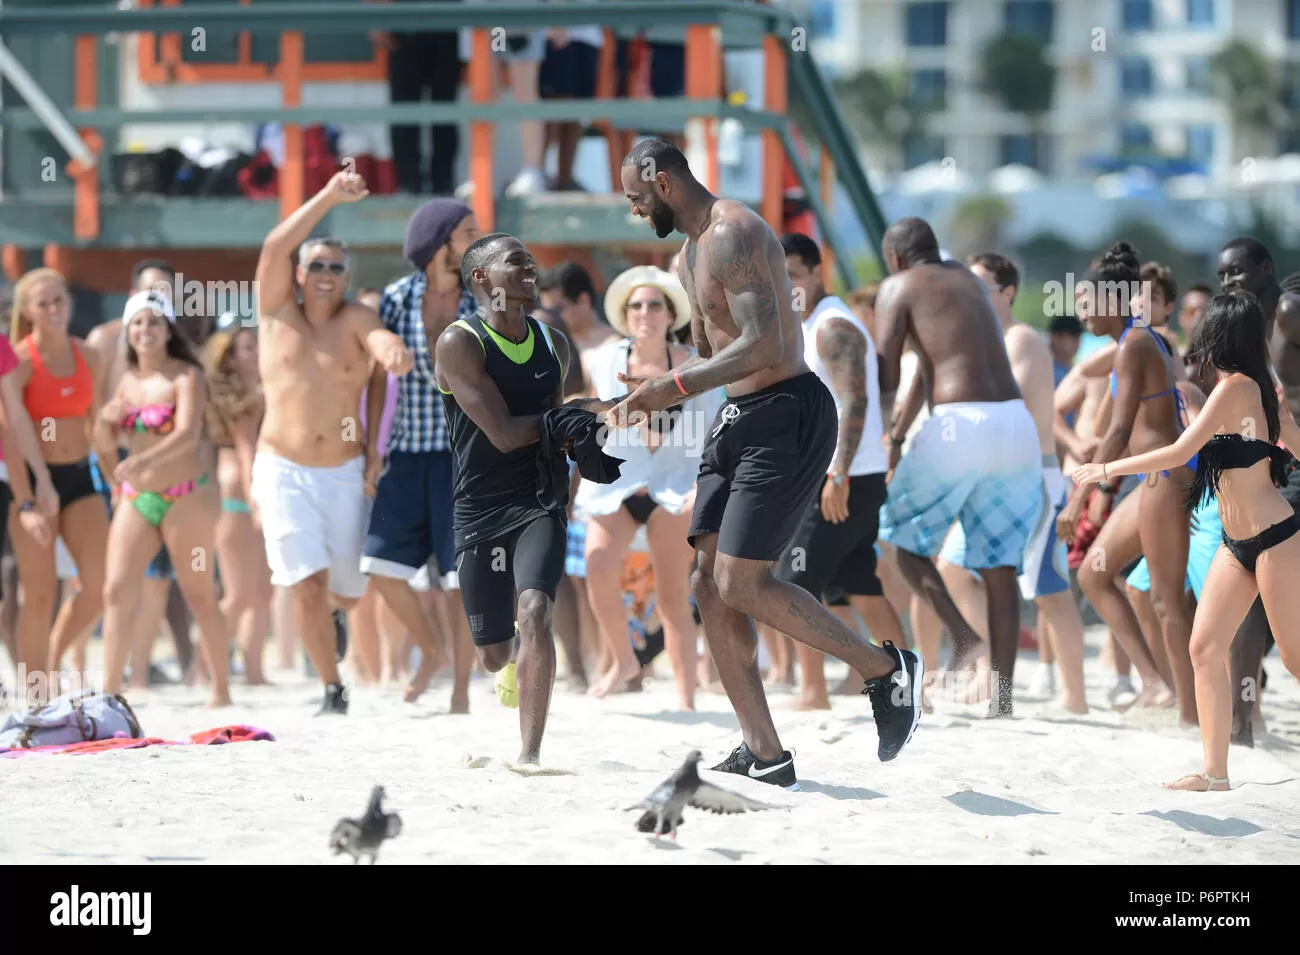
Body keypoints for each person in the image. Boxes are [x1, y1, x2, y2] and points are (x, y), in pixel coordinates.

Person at [611, 139, 922, 788]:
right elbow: (711, 345)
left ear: (663, 182)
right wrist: (656, 376)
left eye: (638, 199)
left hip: (789, 412)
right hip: (736, 418)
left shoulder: (735, 232)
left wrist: (675, 385)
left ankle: (884, 669)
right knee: (706, 584)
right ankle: (765, 751)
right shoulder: (688, 253)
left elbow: (768, 343)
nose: (635, 210)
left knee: (742, 582)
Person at [1073, 290, 1300, 790]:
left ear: (1220, 336)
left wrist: (1106, 469)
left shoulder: (1238, 388)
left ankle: (1216, 770)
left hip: (1275, 538)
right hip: (1235, 545)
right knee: (1204, 648)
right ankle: (1215, 773)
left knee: (1293, 658)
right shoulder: (1257, 391)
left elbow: (1178, 451)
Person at [434, 232, 615, 766]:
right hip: (480, 507)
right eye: (516, 262)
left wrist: (606, 417)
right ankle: (510, 658)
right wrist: (586, 409)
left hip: (539, 498)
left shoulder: (554, 342)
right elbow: (508, 434)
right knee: (492, 656)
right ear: (481, 279)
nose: (531, 266)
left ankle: (528, 753)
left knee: (536, 608)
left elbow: (555, 433)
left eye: (530, 260)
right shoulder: (459, 343)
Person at [251, 170, 414, 714]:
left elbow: (379, 337)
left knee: (346, 590)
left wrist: (392, 351)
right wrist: (328, 195)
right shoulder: (276, 312)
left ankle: (335, 618)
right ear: (299, 273)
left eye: (335, 267)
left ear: (347, 277)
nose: (324, 273)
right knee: (304, 583)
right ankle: (331, 686)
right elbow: (275, 242)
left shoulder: (355, 317)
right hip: (281, 468)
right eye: (315, 264)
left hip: (343, 472)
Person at [868, 218, 1040, 717]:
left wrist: (879, 436)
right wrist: (899, 434)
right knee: (1000, 569)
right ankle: (1003, 703)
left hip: (957, 427)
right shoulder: (967, 280)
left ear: (896, 259)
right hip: (1014, 424)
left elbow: (887, 371)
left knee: (903, 541)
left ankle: (964, 638)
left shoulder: (898, 286)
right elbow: (931, 362)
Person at [933, 253, 1087, 714]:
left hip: (1030, 479)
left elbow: (1005, 403)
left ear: (1007, 293)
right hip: (992, 482)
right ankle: (986, 673)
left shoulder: (1020, 338)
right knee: (952, 570)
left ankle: (1075, 697)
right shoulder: (985, 339)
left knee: (1050, 592)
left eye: (980, 285)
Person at [772, 234, 908, 711]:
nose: (785, 285)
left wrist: (838, 474)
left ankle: (813, 693)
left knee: (793, 585)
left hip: (843, 478)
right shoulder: (811, 324)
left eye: (793, 275)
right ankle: (906, 682)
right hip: (846, 475)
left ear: (816, 272)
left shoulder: (832, 326)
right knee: (859, 582)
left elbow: (856, 400)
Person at [1060, 242, 1194, 724]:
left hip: (1165, 478)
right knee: (1095, 573)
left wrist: (1079, 500)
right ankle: (1158, 686)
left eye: (1087, 302)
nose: (1080, 312)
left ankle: (1191, 715)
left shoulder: (1136, 344)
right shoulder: (1135, 341)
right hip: (1153, 479)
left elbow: (1117, 432)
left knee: (1166, 600)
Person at [575, 265, 719, 708]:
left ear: (670, 312)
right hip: (617, 481)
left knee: (674, 597)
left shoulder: (695, 364)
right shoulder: (603, 359)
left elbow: (710, 431)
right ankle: (623, 661)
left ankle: (687, 698)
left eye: (654, 304)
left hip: (675, 485)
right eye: (636, 305)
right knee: (596, 568)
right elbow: (585, 413)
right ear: (624, 312)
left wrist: (702, 485)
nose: (644, 312)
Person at [361, 198, 480, 709]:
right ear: (440, 240)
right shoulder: (394, 298)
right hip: (406, 453)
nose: (478, 239)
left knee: (459, 581)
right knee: (379, 566)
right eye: (467, 231)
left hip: (464, 456)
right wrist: (371, 449)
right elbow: (373, 378)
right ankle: (429, 651)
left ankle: (459, 691)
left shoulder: (484, 298)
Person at [98, 291, 232, 706]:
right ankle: (110, 692)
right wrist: (105, 426)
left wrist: (143, 459)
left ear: (169, 329)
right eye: (137, 322)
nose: (145, 330)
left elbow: (188, 434)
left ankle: (221, 690)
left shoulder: (185, 375)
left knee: (198, 594)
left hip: (184, 499)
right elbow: (105, 442)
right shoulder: (125, 380)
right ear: (128, 330)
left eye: (154, 322)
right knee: (116, 590)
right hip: (139, 498)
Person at [86, 259, 195, 684]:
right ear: (133, 290)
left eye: (168, 291)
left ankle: (143, 670)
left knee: (157, 579)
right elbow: (93, 416)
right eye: (153, 288)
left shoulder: (174, 349)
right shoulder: (104, 339)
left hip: (158, 472)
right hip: (108, 465)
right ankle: (82, 671)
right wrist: (111, 472)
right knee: (100, 578)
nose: (161, 296)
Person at [6, 268, 113, 694]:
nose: (53, 310)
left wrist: (115, 477)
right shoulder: (20, 362)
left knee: (99, 586)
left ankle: (49, 662)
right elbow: (12, 434)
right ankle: (35, 693)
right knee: (38, 595)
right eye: (43, 303)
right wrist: (31, 497)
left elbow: (96, 425)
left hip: (80, 476)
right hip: (32, 480)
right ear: (28, 312)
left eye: (59, 301)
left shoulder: (90, 355)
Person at [1214, 236, 1300, 745]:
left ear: (1265, 270)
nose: (1227, 282)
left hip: (1291, 470)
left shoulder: (1288, 310)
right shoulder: (1246, 329)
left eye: (1237, 273)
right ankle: (1245, 718)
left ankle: (1243, 723)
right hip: (1273, 469)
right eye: (1222, 274)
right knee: (1256, 591)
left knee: (1255, 586)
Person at [204, 312, 271, 685]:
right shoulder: (243, 402)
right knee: (239, 594)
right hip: (239, 501)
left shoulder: (259, 392)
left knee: (261, 594)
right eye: (247, 347)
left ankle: (255, 671)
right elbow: (247, 457)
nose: (256, 351)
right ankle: (206, 667)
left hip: (248, 498)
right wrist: (256, 503)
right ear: (229, 357)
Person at [371, 0, 462, 196]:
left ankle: (443, 182)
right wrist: (375, 15)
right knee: (403, 110)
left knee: (446, 109)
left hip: (448, 17)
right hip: (403, 19)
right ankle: (408, 182)